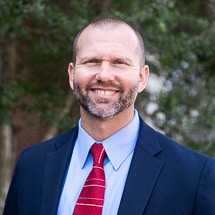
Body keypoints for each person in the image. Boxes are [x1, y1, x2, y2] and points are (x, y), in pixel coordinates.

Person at [3, 16, 215, 215]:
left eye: (120, 63)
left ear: (142, 78)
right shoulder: (32, 164)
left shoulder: (195, 176)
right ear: (71, 74)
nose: (104, 75)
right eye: (91, 61)